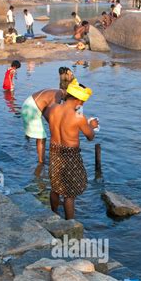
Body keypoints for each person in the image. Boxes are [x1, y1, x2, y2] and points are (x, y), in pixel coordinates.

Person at [46, 80, 98, 220]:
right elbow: (90, 136)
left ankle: (54, 214)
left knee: (55, 187)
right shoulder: (78, 116)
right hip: (70, 155)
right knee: (69, 194)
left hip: (54, 151)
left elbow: (52, 121)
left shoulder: (53, 108)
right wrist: (92, 125)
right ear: (78, 100)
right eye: (82, 102)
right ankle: (70, 224)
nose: (82, 105)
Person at [21, 85, 66, 163]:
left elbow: (46, 111)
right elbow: (52, 113)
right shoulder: (58, 96)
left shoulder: (55, 90)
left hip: (27, 104)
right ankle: (41, 162)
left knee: (40, 136)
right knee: (42, 138)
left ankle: (39, 157)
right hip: (32, 108)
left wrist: (53, 124)